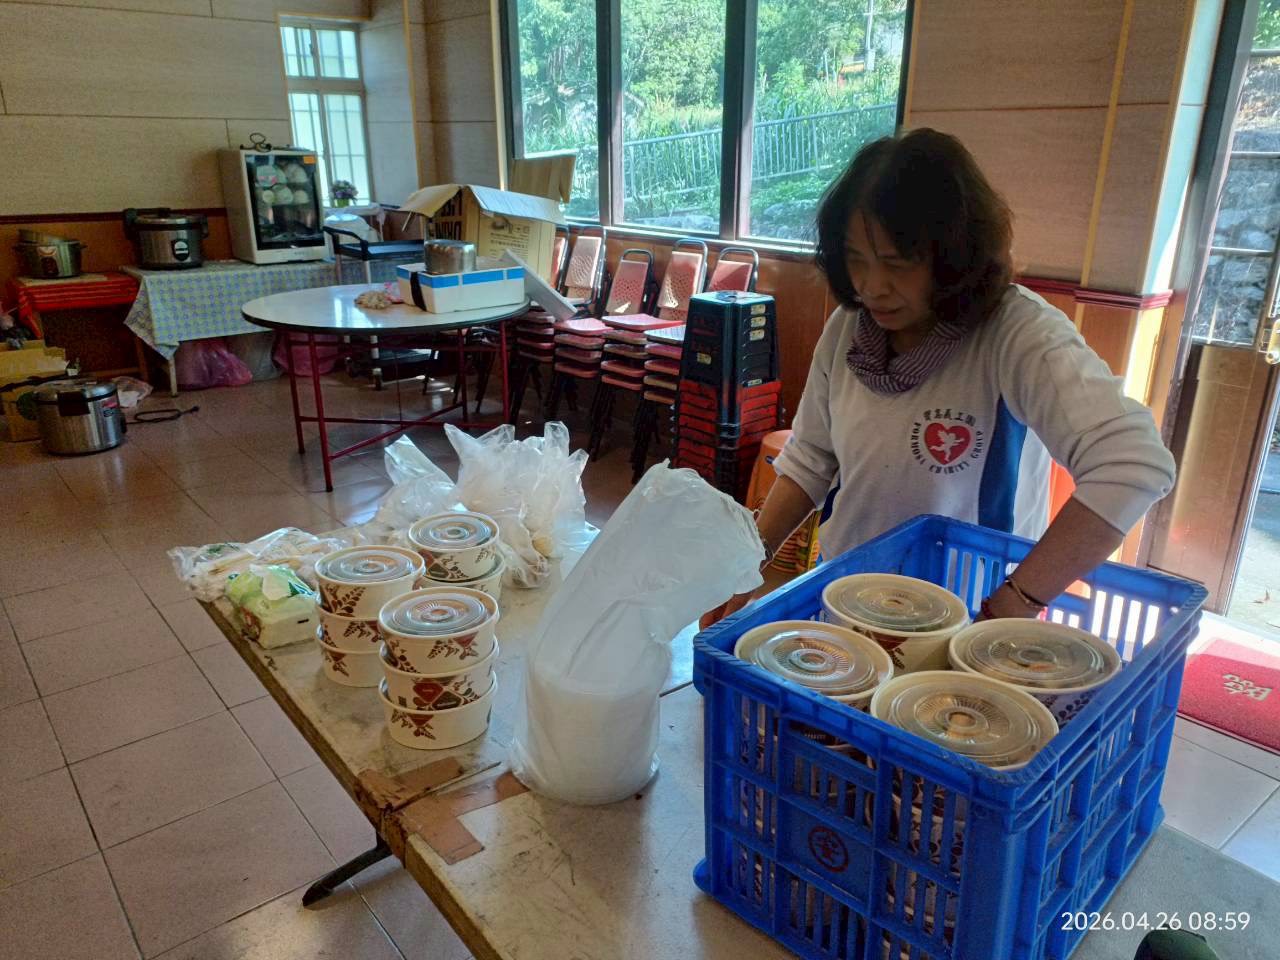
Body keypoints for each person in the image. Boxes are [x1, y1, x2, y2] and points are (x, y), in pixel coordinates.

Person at [703, 129, 1176, 626]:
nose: (871, 286)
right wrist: (744, 567)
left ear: (953, 259)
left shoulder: (1017, 333)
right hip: (847, 597)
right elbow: (811, 461)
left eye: (897, 264)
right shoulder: (848, 328)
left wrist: (1015, 601)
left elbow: (1134, 466)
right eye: (856, 259)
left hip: (969, 617)